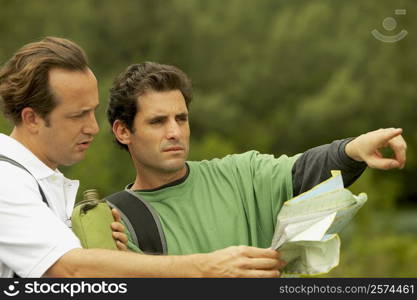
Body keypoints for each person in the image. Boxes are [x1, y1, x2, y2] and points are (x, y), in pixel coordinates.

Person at [0, 37, 285, 278]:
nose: (93, 127)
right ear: (32, 119)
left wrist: (116, 259)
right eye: (77, 115)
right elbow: (70, 271)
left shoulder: (38, 179)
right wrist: (208, 267)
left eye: (93, 111)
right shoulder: (6, 180)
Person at [106, 62, 407, 256]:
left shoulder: (241, 175)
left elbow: (303, 171)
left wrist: (353, 149)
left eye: (181, 119)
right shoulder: (117, 221)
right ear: (123, 131)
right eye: (158, 122)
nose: (175, 132)